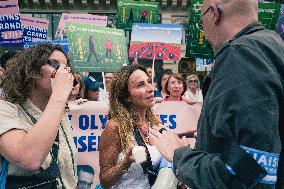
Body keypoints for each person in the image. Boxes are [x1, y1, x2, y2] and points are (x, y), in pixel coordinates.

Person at [150, 0, 284, 188]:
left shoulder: (240, 55)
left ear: (214, 13)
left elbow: (252, 173)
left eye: (201, 23)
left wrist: (179, 154)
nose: (203, 33)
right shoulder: (273, 45)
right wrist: (208, 135)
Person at [0, 44, 78, 188]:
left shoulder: (60, 112)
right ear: (32, 71)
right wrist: (59, 94)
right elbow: (28, 159)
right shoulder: (4, 109)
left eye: (66, 67)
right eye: (55, 64)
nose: (64, 71)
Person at [99, 64, 166, 188]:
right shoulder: (115, 127)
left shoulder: (155, 121)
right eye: (141, 85)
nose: (150, 88)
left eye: (149, 82)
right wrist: (126, 162)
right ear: (126, 97)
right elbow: (105, 180)